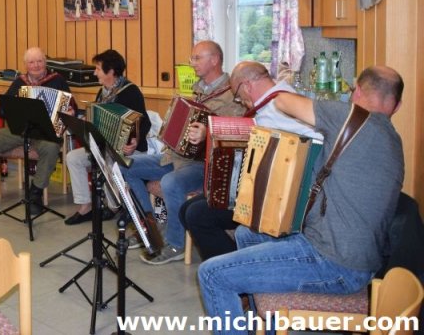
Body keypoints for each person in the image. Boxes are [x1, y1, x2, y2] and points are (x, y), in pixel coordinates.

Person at [197, 66, 404, 335]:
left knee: (212, 274)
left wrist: (282, 81)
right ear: (397, 106)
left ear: (357, 92)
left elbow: (283, 101)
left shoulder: (350, 117)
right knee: (247, 234)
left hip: (333, 264)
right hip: (357, 258)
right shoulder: (392, 140)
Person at [180, 60, 320, 262]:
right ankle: (234, 259)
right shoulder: (280, 99)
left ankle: (233, 267)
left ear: (246, 86)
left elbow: (314, 145)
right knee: (188, 209)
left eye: (238, 96)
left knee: (197, 214)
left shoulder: (280, 107)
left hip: (281, 199)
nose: (241, 102)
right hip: (264, 187)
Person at [118, 41, 243, 263]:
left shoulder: (233, 94)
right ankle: (150, 228)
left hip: (204, 165)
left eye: (197, 58)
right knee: (125, 165)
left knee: (171, 182)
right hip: (176, 157)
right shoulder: (197, 90)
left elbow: (236, 136)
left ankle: (176, 244)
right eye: (192, 58)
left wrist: (208, 133)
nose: (192, 63)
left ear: (214, 60)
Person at [0, 47, 73, 215]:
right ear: (26, 65)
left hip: (45, 132)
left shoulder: (57, 81)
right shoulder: (20, 82)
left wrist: (70, 111)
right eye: (31, 62)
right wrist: (14, 107)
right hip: (20, 130)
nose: (36, 65)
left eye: (39, 61)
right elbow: (1, 109)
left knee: (51, 148)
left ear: (45, 63)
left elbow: (71, 106)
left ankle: (35, 194)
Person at [64, 49, 151, 225]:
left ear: (110, 71)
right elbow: (97, 120)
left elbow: (144, 123)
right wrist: (80, 119)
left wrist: (134, 142)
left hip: (129, 150)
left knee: (105, 159)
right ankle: (86, 206)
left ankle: (113, 207)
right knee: (73, 157)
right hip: (105, 146)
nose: (94, 73)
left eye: (98, 68)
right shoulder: (103, 92)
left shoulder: (130, 92)